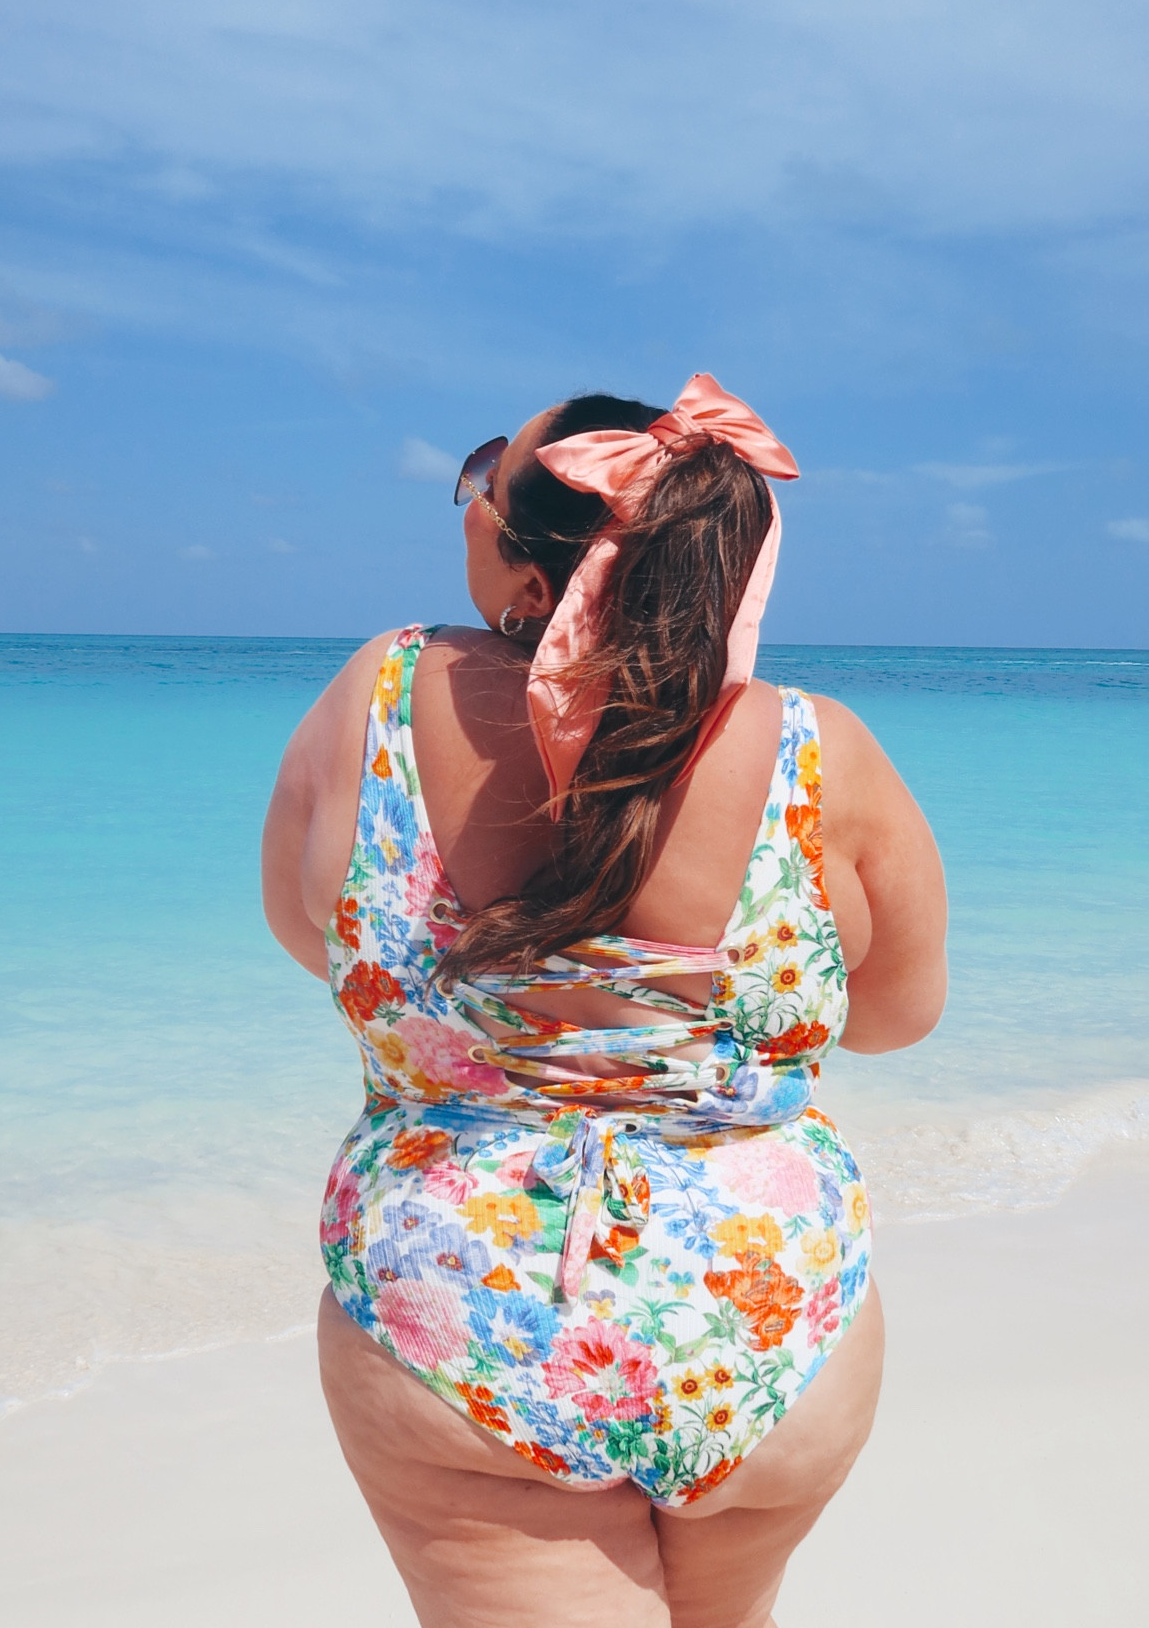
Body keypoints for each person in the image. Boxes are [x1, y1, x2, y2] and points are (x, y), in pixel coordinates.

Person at [262, 374, 947, 1628]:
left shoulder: (381, 691)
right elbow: (898, 1015)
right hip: (759, 1314)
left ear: (532, 579)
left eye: (481, 480)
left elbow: (311, 933)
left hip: (466, 1305)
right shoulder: (819, 749)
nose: (465, 503)